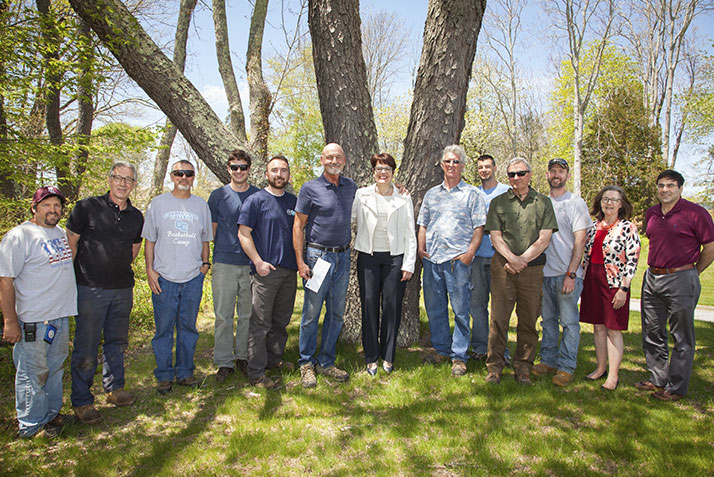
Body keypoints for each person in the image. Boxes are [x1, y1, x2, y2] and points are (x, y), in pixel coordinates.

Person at [66, 163, 144, 425]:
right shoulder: (86, 208)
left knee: (116, 342)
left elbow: (134, 250)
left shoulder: (136, 216)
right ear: (109, 179)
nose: (123, 183)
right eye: (118, 178)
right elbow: (71, 245)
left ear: (134, 184)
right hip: (90, 287)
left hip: (122, 288)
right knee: (86, 346)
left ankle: (114, 389)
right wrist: (68, 282)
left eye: (128, 179)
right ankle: (82, 401)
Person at [0, 186, 76, 438]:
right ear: (34, 208)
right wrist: (10, 321)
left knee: (54, 369)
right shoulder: (19, 236)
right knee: (33, 373)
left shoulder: (57, 233)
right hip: (33, 320)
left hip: (59, 317)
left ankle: (51, 414)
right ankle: (31, 426)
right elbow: (6, 281)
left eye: (56, 206)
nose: (53, 210)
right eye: (46, 205)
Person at [637, 170, 714, 401]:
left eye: (670, 185)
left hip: (681, 277)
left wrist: (693, 273)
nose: (665, 190)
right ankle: (658, 378)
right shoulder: (652, 213)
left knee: (681, 336)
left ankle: (675, 387)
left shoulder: (695, 213)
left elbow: (710, 247)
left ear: (680, 188)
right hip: (652, 278)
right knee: (652, 331)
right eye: (661, 185)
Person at [485, 157, 557, 385]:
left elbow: (544, 238)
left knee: (528, 320)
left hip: (532, 270)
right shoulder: (498, 202)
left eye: (521, 173)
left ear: (530, 174)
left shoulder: (543, 202)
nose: (516, 178)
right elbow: (495, 236)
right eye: (512, 174)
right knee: (498, 320)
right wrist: (511, 258)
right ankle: (494, 367)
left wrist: (522, 260)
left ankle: (523, 368)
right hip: (502, 269)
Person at [142, 160, 213, 394]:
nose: (184, 177)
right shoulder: (158, 204)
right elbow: (149, 240)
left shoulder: (201, 205)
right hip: (164, 278)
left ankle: (185, 372)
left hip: (192, 277)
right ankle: (164, 375)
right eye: (179, 173)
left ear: (194, 177)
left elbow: (205, 239)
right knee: (163, 329)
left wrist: (204, 266)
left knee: (188, 328)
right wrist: (150, 270)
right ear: (172, 176)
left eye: (189, 174)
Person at [417, 145, 486, 377]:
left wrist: (469, 254)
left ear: (463, 166)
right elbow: (423, 224)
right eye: (447, 161)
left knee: (460, 311)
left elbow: (479, 228)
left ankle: (459, 356)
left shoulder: (472, 194)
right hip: (433, 261)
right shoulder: (431, 194)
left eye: (456, 162)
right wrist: (420, 247)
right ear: (441, 164)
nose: (451, 165)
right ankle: (442, 350)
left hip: (458, 262)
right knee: (435, 309)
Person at [293, 143, 357, 387]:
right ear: (322, 159)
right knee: (311, 312)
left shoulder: (351, 187)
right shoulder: (310, 188)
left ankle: (327, 361)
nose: (334, 161)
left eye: (338, 157)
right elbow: (298, 226)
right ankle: (306, 363)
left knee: (336, 314)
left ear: (344, 160)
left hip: (342, 257)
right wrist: (300, 261)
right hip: (317, 257)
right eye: (329, 157)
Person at [352, 153, 417, 375]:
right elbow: (351, 219)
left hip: (395, 258)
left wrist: (408, 263)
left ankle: (388, 357)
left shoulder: (404, 197)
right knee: (369, 305)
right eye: (379, 168)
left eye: (387, 169)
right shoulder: (361, 195)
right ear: (373, 171)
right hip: (368, 258)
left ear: (393, 172)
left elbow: (410, 231)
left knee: (392, 306)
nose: (383, 172)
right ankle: (371, 357)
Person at [238, 156, 298, 390]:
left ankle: (274, 359)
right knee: (260, 322)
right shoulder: (255, 201)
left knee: (280, 321)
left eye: (283, 171)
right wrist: (258, 261)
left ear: (288, 176)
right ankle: (255, 371)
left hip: (289, 271)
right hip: (265, 272)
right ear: (266, 174)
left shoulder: (294, 202)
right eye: (274, 170)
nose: (279, 175)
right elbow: (244, 233)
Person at [531, 158, 590, 386]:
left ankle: (567, 366)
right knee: (548, 321)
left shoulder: (575, 203)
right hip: (544, 273)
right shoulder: (541, 202)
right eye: (552, 171)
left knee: (569, 322)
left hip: (567, 274)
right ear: (547, 175)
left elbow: (580, 240)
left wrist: (571, 274)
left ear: (566, 175)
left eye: (561, 171)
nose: (556, 175)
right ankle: (548, 361)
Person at [580, 185, 640, 391]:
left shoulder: (627, 228)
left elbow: (632, 260)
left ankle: (613, 375)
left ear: (621, 203)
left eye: (614, 199)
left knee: (613, 329)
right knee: (597, 326)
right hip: (592, 280)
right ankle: (600, 368)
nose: (609, 203)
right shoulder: (593, 226)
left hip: (614, 284)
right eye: (605, 199)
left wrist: (624, 288)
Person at [207, 149, 260, 382]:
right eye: (234, 167)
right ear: (228, 169)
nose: (239, 171)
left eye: (243, 167)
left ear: (249, 169)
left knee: (247, 314)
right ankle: (224, 362)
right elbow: (212, 231)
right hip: (224, 262)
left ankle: (243, 357)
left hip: (251, 264)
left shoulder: (258, 195)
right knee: (223, 315)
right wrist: (208, 259)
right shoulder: (217, 196)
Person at [469, 154, 510, 363]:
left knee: (500, 306)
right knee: (477, 304)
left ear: (495, 167)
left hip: (500, 258)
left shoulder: (506, 192)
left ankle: (502, 350)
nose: (484, 170)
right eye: (481, 167)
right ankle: (480, 346)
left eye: (488, 166)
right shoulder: (473, 193)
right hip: (477, 257)